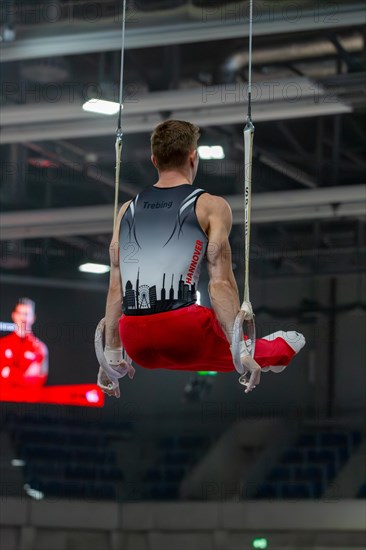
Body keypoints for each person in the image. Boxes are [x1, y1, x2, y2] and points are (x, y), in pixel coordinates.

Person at [98, 120, 305, 397]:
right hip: (183, 332)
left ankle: (258, 352)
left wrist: (111, 357)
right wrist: (242, 350)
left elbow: (116, 287)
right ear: (193, 157)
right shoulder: (209, 205)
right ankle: (272, 352)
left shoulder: (126, 210)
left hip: (134, 340)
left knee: (183, 351)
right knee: (230, 346)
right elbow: (219, 283)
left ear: (154, 160)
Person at [0, 298, 48, 387]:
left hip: (28, 399)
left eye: (26, 314)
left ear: (33, 318)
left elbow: (36, 381)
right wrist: (24, 376)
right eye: (20, 313)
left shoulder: (39, 348)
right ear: (14, 315)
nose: (23, 318)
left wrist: (10, 372)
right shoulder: (2, 344)